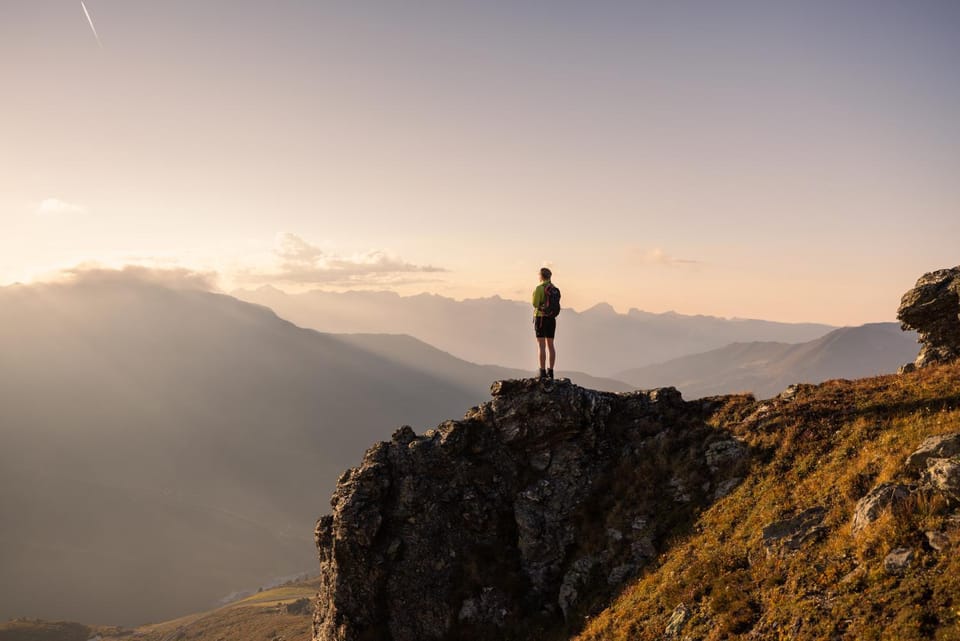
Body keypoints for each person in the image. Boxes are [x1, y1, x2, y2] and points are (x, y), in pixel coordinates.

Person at [532, 267, 557, 379]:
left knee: (541, 345)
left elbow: (535, 303)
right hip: (551, 319)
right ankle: (550, 371)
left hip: (541, 318)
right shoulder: (554, 289)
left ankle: (542, 372)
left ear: (541, 276)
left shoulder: (539, 288)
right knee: (551, 345)